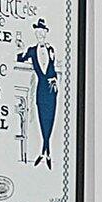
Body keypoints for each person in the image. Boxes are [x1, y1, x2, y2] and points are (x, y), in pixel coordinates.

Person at [15, 17, 61, 169]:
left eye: (42, 32)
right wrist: (20, 48)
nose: (40, 34)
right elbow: (20, 58)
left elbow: (52, 68)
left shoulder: (50, 49)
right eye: (38, 32)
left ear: (46, 33)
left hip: (51, 88)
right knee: (42, 117)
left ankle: (44, 151)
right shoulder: (32, 51)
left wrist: (54, 79)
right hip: (41, 87)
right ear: (35, 34)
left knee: (51, 116)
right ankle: (45, 151)